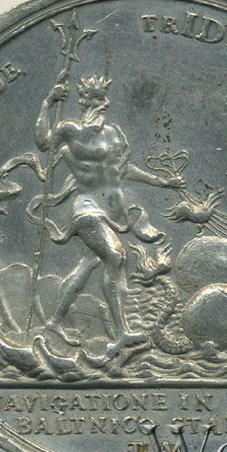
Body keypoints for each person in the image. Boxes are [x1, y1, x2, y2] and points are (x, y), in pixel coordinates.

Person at [34, 75, 185, 346]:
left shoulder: (114, 134)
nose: (101, 104)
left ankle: (54, 322)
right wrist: (48, 102)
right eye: (94, 99)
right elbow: (43, 142)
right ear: (83, 102)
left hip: (110, 212)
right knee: (116, 256)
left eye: (102, 99)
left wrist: (163, 182)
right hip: (87, 208)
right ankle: (123, 332)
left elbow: (124, 170)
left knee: (88, 264)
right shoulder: (69, 129)